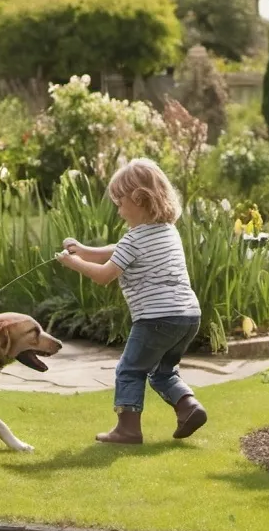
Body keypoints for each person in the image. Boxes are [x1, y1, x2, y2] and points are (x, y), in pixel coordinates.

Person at [56, 158, 207, 444]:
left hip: (155, 318)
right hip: (187, 316)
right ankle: (189, 407)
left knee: (130, 369)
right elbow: (117, 251)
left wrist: (73, 263)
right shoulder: (166, 232)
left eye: (120, 201)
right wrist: (84, 250)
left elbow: (104, 275)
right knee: (163, 371)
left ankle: (128, 429)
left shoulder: (134, 240)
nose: (118, 209)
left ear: (139, 199)